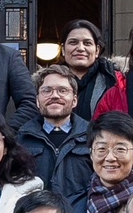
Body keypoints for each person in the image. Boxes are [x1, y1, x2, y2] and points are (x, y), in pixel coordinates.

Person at [15, 63, 90, 197]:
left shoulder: (92, 138)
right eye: (47, 90)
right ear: (37, 101)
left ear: (74, 100)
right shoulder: (21, 140)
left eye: (62, 90)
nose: (54, 96)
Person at [63, 18, 123, 121]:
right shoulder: (47, 82)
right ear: (63, 50)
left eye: (87, 43)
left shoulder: (114, 80)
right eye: (73, 42)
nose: (80, 48)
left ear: (97, 50)